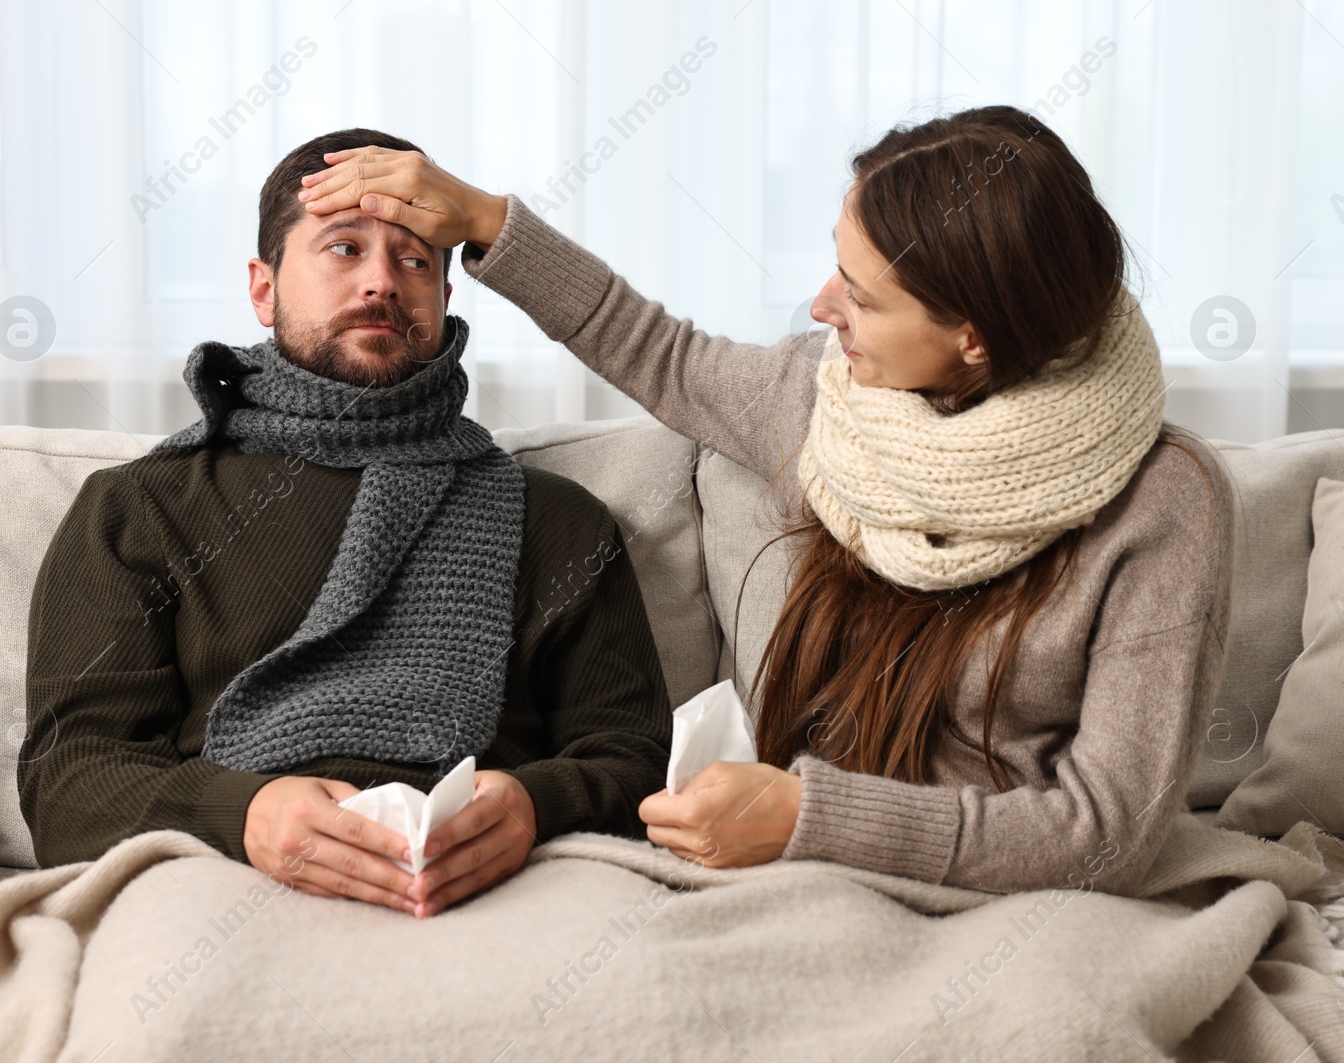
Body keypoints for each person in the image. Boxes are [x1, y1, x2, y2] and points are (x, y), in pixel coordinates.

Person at [295, 105, 1234, 897]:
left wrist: (811, 817)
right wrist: (485, 218)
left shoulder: (1162, 502)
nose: (823, 308)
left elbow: (1103, 835)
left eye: (862, 297)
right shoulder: (832, 404)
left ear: (973, 339)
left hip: (1014, 902)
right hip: (803, 876)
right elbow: (655, 348)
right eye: (836, 264)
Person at [20, 128, 673, 919]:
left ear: (443, 294)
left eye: (414, 258)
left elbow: (636, 759)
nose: (382, 284)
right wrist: (245, 814)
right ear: (263, 290)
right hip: (222, 887)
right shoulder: (139, 508)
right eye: (342, 248)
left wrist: (536, 801)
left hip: (502, 893)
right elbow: (69, 781)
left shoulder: (557, 520)